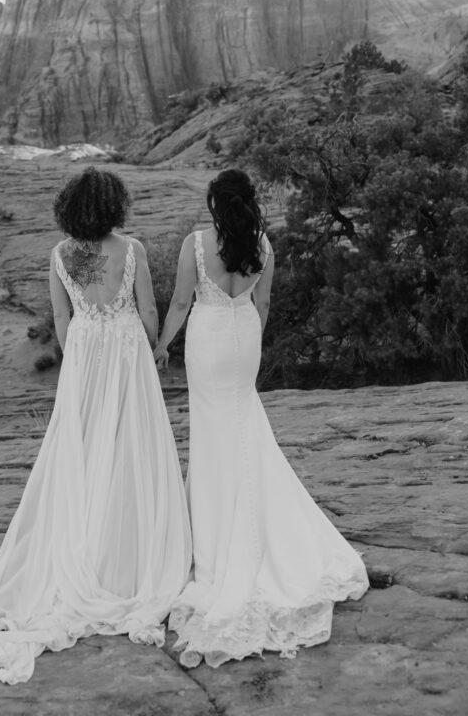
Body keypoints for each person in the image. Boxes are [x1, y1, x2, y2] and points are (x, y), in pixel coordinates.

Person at [0, 167, 191, 688]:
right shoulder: (133, 249)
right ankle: (126, 554)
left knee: (80, 449)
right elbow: (146, 310)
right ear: (115, 205)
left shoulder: (59, 255)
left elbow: (60, 319)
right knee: (128, 446)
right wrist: (154, 346)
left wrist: (79, 350)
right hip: (124, 352)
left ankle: (82, 548)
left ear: (70, 207)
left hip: (83, 356)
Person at [153, 168, 369, 668]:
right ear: (248, 202)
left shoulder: (197, 244)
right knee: (245, 421)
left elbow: (183, 301)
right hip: (244, 332)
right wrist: (250, 335)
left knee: (210, 431)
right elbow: (264, 301)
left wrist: (163, 345)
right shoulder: (264, 246)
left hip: (206, 339)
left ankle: (215, 537)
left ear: (214, 202)